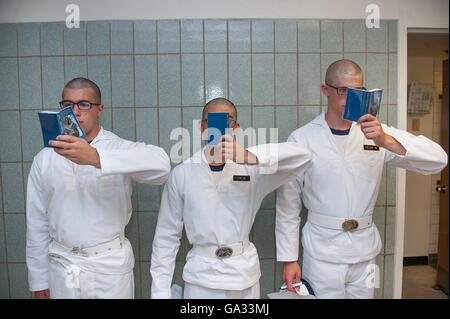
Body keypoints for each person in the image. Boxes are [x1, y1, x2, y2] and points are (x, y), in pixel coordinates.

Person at [276, 59, 448, 299]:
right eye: (343, 90)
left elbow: (438, 160)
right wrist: (289, 259)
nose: (350, 97)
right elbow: (288, 206)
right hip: (322, 253)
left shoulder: (378, 133)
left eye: (358, 91)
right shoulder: (302, 139)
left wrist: (386, 140)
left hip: (364, 252)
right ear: (325, 90)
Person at [150, 98, 311, 299]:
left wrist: (250, 156)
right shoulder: (182, 174)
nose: (220, 127)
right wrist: (159, 293)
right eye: (212, 121)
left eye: (228, 121)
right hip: (201, 280)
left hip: (244, 278)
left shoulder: (253, 168)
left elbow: (304, 157)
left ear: (236, 128)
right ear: (202, 127)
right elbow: (166, 237)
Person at [26, 77, 171, 299]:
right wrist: (38, 280)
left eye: (84, 104)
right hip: (61, 266)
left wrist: (96, 157)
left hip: (109, 268)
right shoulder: (44, 159)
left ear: (99, 109)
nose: (75, 112)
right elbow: (36, 222)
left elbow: (162, 167)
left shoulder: (117, 147)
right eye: (68, 105)